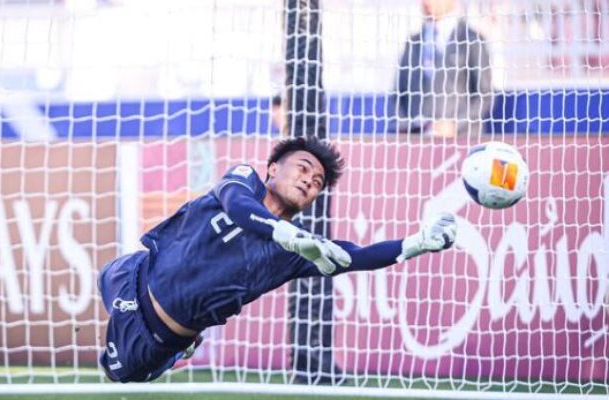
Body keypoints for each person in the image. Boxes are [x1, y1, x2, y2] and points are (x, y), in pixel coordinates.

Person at [98, 136, 457, 383]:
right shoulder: (243, 180)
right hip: (131, 276)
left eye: (317, 182)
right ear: (272, 168)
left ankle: (179, 350)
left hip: (155, 338)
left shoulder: (296, 253)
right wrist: (286, 233)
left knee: (116, 375)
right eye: (302, 168)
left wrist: (418, 242)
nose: (308, 181)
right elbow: (239, 208)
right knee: (103, 276)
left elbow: (356, 256)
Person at [395, 0, 493, 138]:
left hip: (461, 141)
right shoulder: (413, 42)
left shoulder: (471, 39)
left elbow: (484, 94)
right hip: (419, 142)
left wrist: (455, 124)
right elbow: (399, 92)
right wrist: (407, 126)